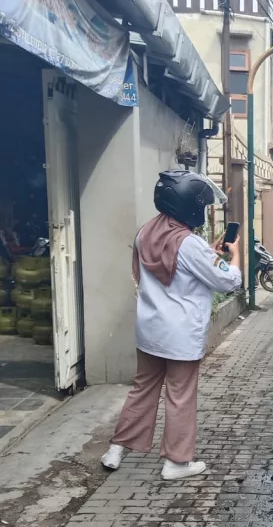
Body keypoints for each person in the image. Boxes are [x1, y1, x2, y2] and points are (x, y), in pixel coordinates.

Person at [101, 170, 242, 480]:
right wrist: (235, 257)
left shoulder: (144, 233)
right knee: (180, 394)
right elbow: (229, 281)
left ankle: (116, 449)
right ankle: (176, 463)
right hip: (180, 336)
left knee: (143, 388)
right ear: (189, 206)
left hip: (149, 330)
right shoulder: (190, 244)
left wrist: (210, 254)